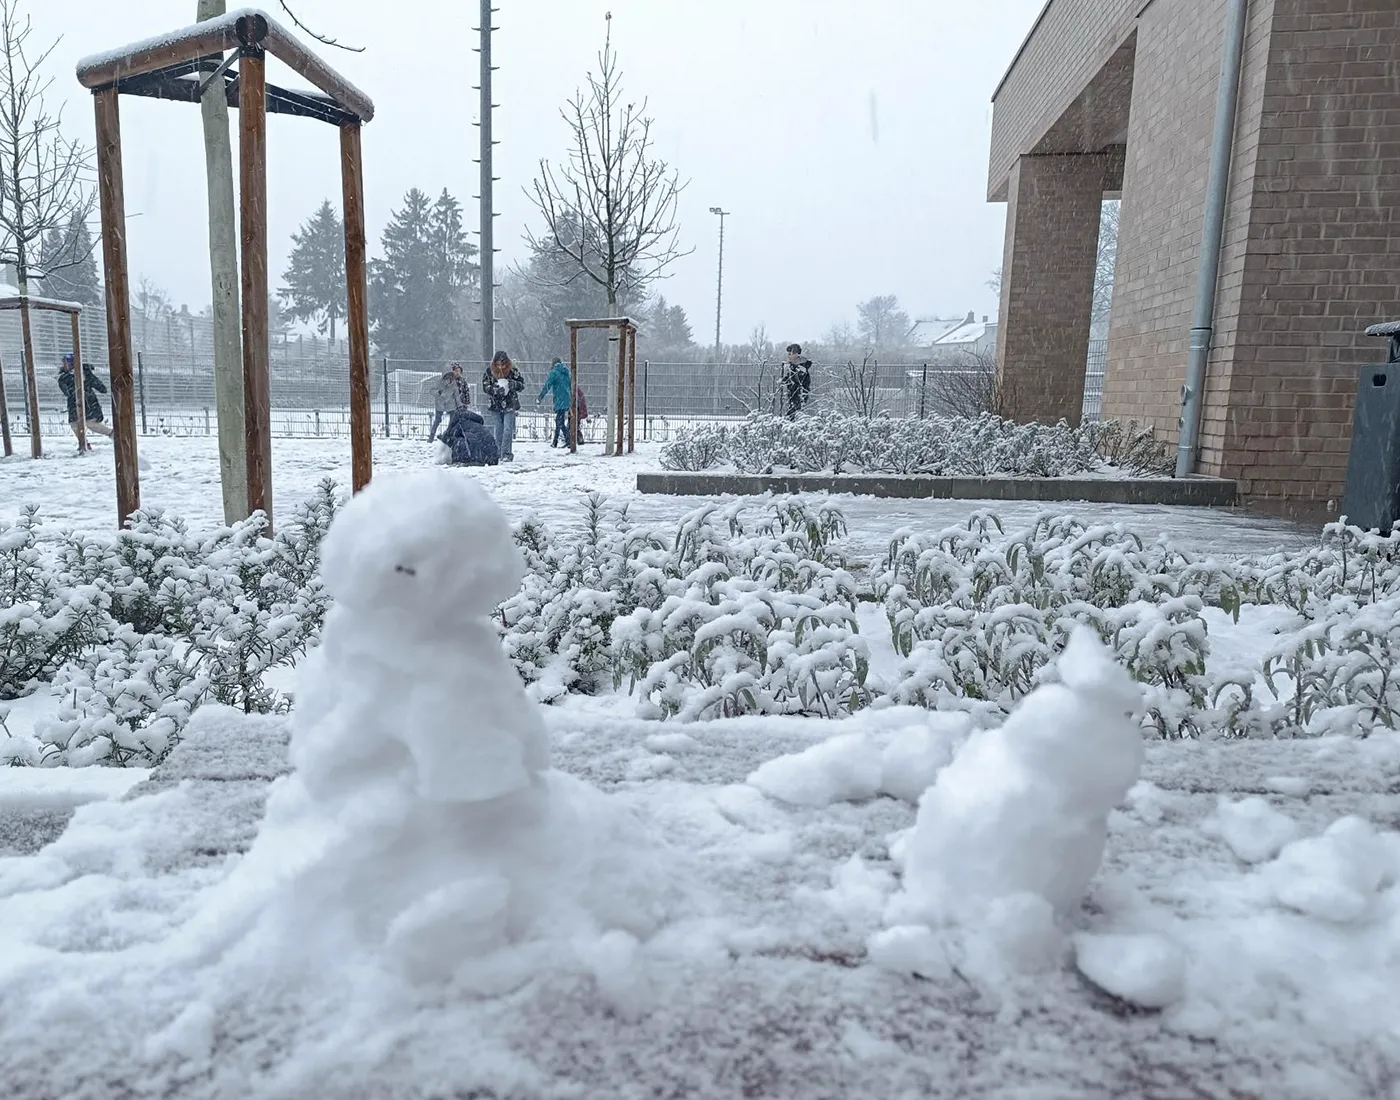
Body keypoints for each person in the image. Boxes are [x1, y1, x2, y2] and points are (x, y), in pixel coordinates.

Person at [57, 353, 113, 452]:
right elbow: (68, 392)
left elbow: (102, 388)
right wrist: (75, 381)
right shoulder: (63, 378)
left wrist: (88, 378)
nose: (64, 365)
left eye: (66, 363)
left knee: (90, 423)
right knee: (75, 424)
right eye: (64, 363)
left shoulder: (86, 374)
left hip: (89, 404)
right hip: (74, 406)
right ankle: (84, 443)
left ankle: (111, 434)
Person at [482, 351, 524, 462]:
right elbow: (485, 387)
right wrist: (495, 390)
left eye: (503, 364)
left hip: (510, 403)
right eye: (498, 364)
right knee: (499, 429)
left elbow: (522, 385)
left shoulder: (513, 372)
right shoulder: (489, 372)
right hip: (495, 404)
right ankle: (499, 452)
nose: (501, 366)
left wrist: (514, 384)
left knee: (507, 429)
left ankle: (505, 453)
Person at [428, 362, 469, 441]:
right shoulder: (440, 382)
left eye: (459, 371)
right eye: (456, 371)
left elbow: (457, 395)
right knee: (438, 420)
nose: (449, 381)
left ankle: (448, 435)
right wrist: (439, 393)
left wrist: (460, 405)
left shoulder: (455, 384)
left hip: (451, 405)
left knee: (452, 421)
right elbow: (431, 390)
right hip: (440, 404)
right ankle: (432, 434)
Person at [537, 357, 572, 448]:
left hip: (559, 399)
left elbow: (547, 385)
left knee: (559, 422)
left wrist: (540, 397)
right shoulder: (566, 372)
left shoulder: (554, 373)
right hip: (567, 399)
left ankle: (568, 440)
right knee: (559, 421)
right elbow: (570, 385)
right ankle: (555, 442)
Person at [781, 343, 812, 419]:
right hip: (793, 395)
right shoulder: (793, 365)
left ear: (796, 354)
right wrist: (783, 380)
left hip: (799, 395)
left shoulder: (801, 367)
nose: (788, 356)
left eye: (790, 354)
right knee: (791, 414)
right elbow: (789, 377)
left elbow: (797, 381)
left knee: (794, 415)